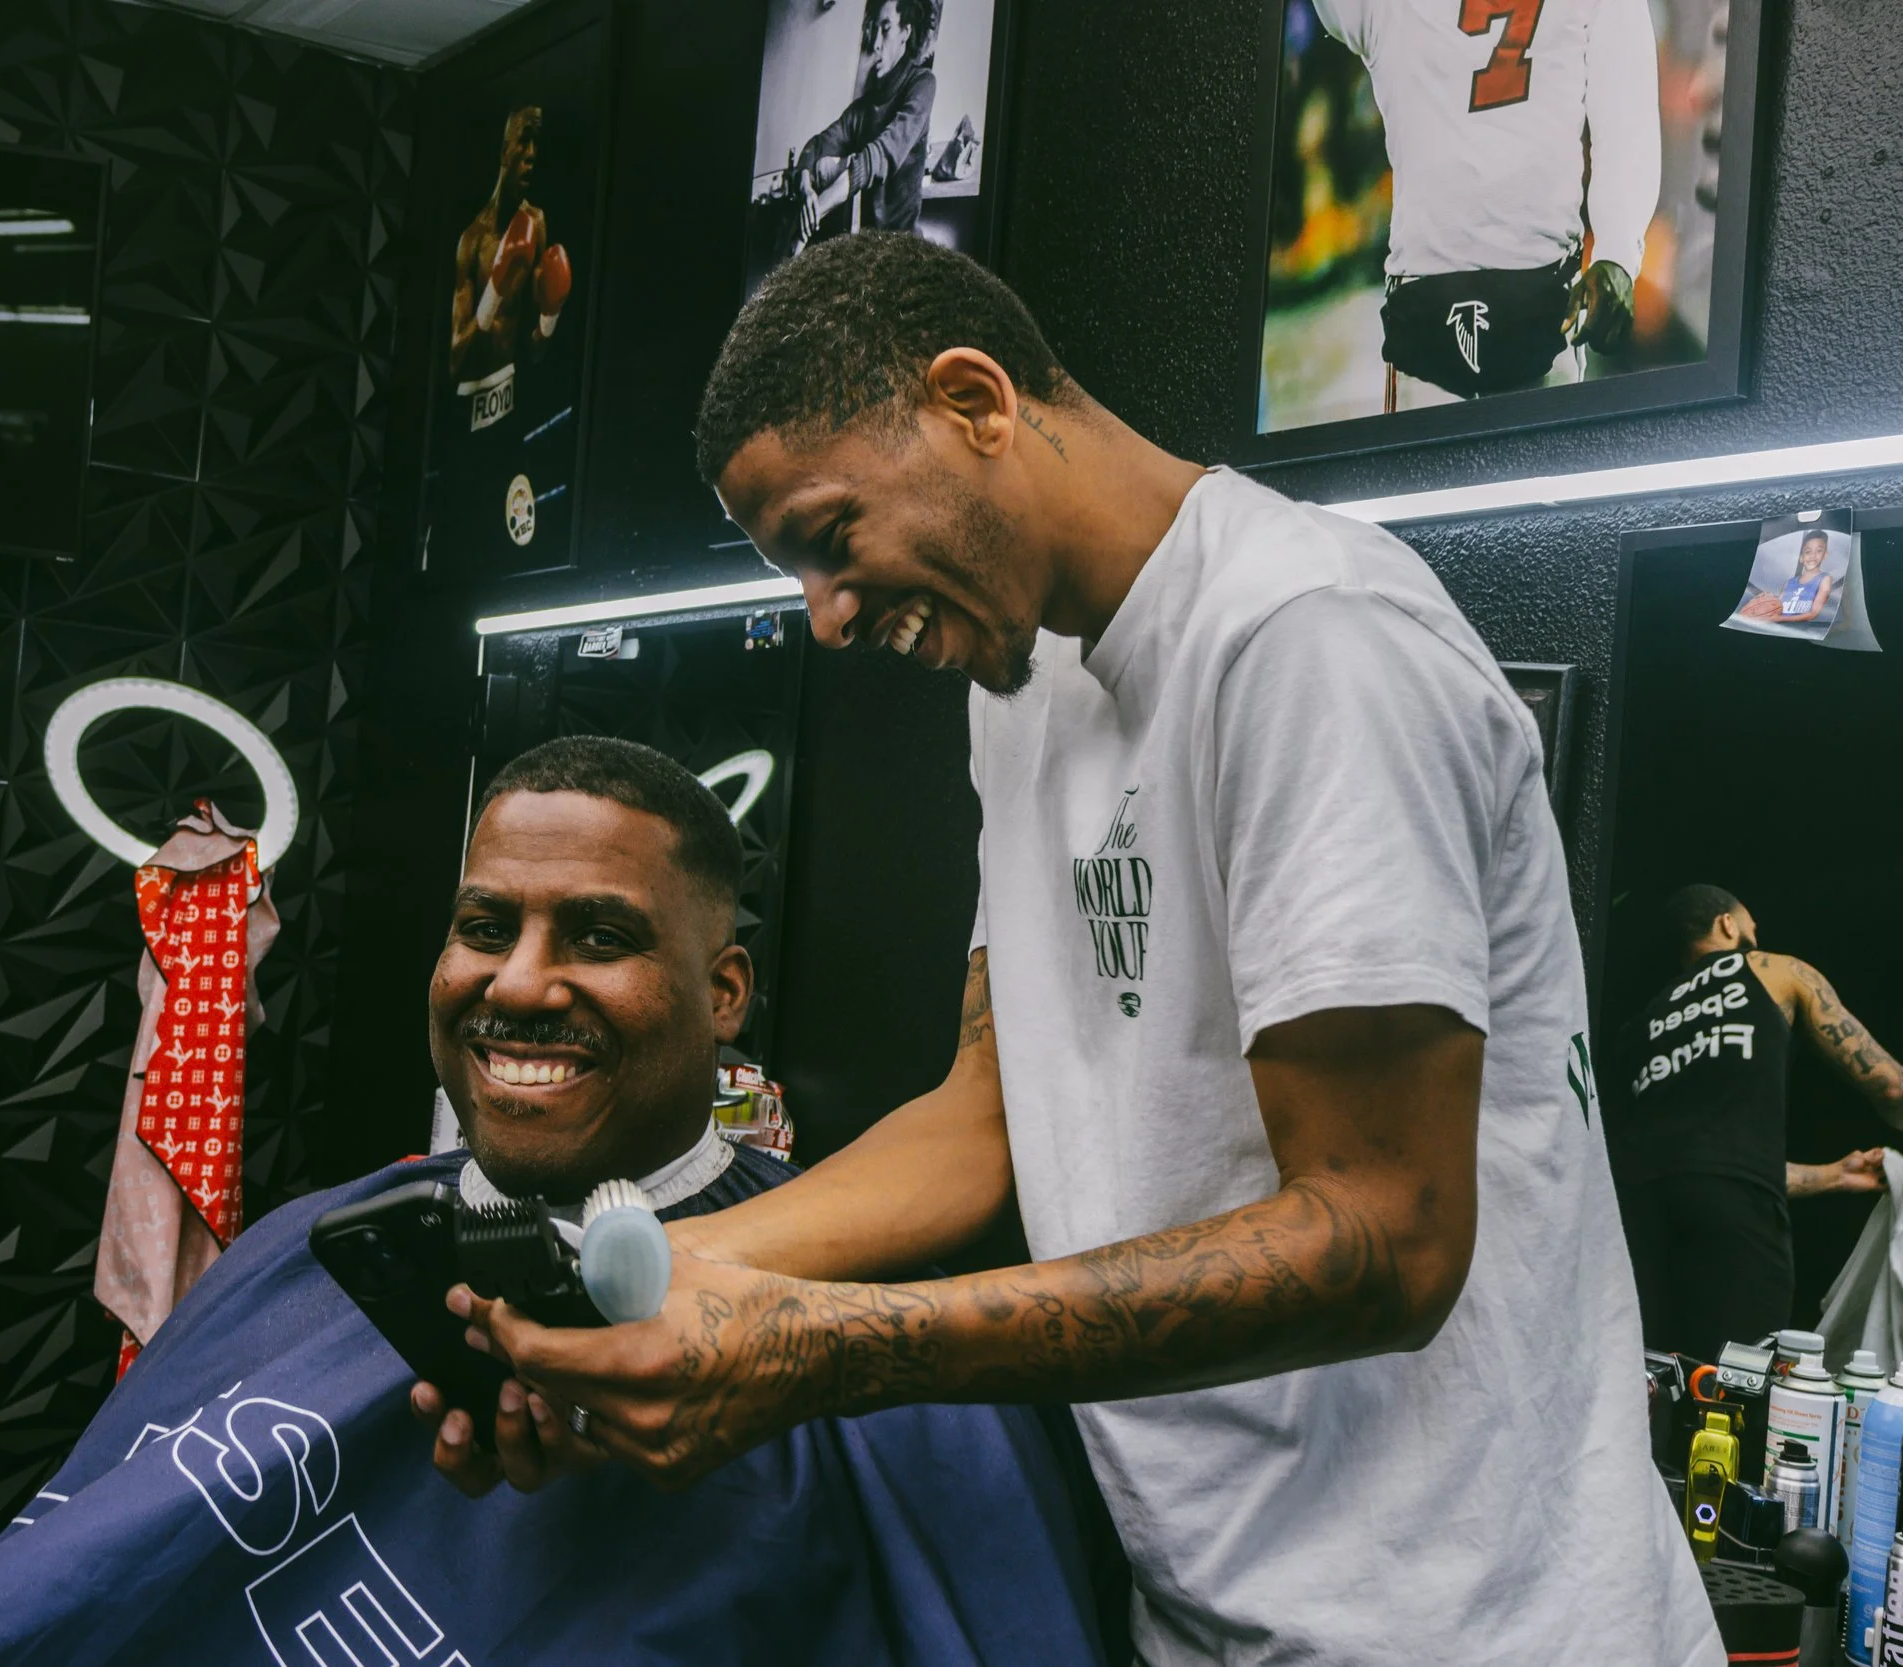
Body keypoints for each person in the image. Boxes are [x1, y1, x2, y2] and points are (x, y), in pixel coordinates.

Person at [436, 232, 1718, 1666]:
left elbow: (1384, 1239)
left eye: (830, 536)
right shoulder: (1024, 679)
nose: (828, 616)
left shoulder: (1308, 643)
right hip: (1208, 1610)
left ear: (976, 399)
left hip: (1472, 1624)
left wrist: (828, 1345)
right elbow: (989, 1116)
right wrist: (632, 1278)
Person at [0, 735, 1109, 1667]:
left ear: (725, 994)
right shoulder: (317, 1246)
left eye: (599, 937)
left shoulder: (841, 1346)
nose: (520, 982)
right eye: (485, 925)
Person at [1604, 884, 1903, 1362]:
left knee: (1650, 1379)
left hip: (1634, 1223)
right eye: (1750, 925)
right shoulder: (1774, 970)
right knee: (1735, 1383)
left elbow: (1695, 1165)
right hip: (1733, 1225)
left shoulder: (1639, 1027)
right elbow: (1890, 1088)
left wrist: (1835, 1175)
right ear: (1727, 924)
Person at [1309, 0, 1659, 399]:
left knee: (1430, 458)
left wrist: (1616, 252)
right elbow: (1627, 118)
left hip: (1496, 292)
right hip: (1524, 289)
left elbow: (1625, 115)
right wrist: (1617, 251)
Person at [449, 105, 572, 410]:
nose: (531, 154)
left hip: (511, 397)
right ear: (505, 152)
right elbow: (454, 360)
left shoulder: (535, 223)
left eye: (536, 144)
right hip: (468, 400)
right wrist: (495, 290)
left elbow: (536, 351)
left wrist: (549, 316)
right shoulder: (472, 240)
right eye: (524, 140)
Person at [791, 0, 937, 251]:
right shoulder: (862, 109)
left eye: (886, 29)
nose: (876, 43)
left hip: (903, 249)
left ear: (905, 33)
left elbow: (879, 156)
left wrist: (816, 212)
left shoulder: (922, 84)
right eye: (874, 30)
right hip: (866, 249)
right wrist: (807, 194)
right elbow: (815, 147)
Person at [1737, 530, 1837, 625]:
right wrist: (1768, 597)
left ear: (1825, 555)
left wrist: (1779, 619)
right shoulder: (1789, 582)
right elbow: (1777, 605)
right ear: (1801, 557)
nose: (1813, 556)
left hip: (1801, 631)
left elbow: (1813, 614)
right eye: (1808, 552)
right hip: (1779, 628)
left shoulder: (1825, 579)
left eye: (1819, 551)